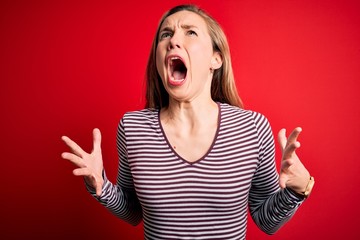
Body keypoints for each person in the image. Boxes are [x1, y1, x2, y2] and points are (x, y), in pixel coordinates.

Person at [61, 4, 314, 239]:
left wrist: (298, 190)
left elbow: (266, 221)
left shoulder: (252, 127)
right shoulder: (132, 128)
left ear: (216, 59)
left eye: (190, 32)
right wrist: (101, 187)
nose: (173, 41)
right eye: (165, 35)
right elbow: (133, 212)